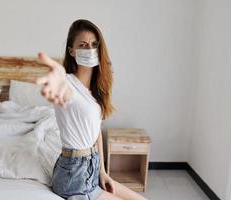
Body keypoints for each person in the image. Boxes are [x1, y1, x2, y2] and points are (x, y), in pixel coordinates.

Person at [34, 19, 147, 200]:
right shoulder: (68, 83)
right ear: (72, 51)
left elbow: (96, 133)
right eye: (83, 45)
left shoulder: (96, 91)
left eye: (94, 44)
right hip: (74, 175)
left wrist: (102, 172)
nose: (90, 49)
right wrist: (58, 80)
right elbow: (64, 87)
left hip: (91, 167)